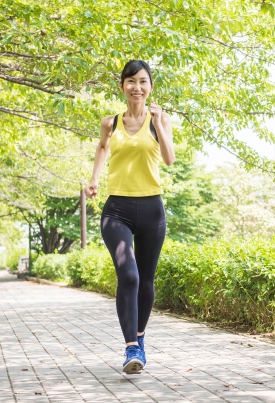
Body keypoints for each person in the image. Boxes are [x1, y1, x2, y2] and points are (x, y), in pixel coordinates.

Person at [84, 60, 175, 374]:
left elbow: (169, 159)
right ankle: (131, 348)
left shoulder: (158, 121)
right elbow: (102, 147)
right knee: (130, 276)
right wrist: (94, 180)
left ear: (150, 87)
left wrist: (160, 123)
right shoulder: (110, 122)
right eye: (131, 81)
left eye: (143, 81)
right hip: (117, 210)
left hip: (152, 209)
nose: (137, 87)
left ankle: (139, 337)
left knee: (147, 282)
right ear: (122, 86)